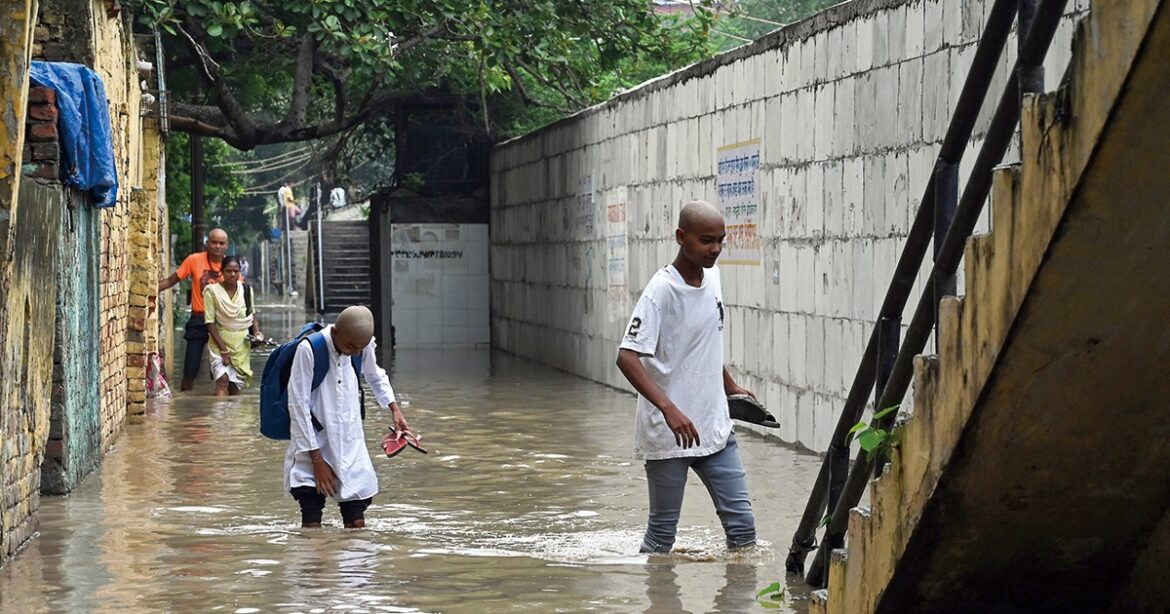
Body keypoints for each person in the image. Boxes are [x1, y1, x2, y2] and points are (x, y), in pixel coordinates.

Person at [615, 200, 758, 553]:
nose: (716, 249)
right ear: (681, 237)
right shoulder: (660, 291)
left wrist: (731, 386)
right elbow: (626, 356)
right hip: (670, 435)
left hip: (714, 426)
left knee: (743, 531)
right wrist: (669, 409)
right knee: (662, 538)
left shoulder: (713, 278)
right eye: (707, 240)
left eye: (721, 240)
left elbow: (701, 343)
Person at [285, 305, 411, 528]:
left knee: (356, 525)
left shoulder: (361, 346)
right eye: (350, 346)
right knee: (312, 523)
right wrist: (317, 460)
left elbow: (375, 375)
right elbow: (298, 406)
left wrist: (395, 410)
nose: (354, 352)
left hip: (350, 444)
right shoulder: (309, 350)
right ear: (335, 333)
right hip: (312, 446)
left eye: (359, 348)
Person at [159, 228, 233, 391]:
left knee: (226, 371)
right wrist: (149, 290)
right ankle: (187, 408)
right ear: (207, 243)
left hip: (222, 322)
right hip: (199, 319)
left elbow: (240, 294)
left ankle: (225, 410)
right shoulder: (194, 260)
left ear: (227, 245)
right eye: (214, 242)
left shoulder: (230, 266)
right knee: (190, 370)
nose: (218, 246)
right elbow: (171, 280)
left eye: (221, 243)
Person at [204, 256, 261, 397]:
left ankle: (234, 418)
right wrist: (223, 350)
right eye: (229, 271)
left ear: (240, 272)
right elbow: (210, 323)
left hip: (241, 346)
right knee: (222, 380)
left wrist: (258, 334)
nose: (233, 274)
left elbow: (251, 315)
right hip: (219, 344)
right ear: (221, 272)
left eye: (236, 271)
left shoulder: (246, 290)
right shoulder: (211, 292)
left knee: (234, 388)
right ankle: (220, 418)